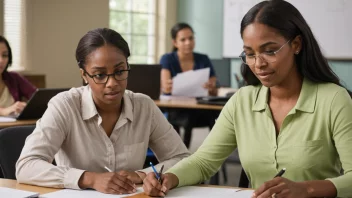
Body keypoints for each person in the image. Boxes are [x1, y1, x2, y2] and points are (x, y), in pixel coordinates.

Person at [143, 1, 352, 197]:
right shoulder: (242, 100)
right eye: (249, 54)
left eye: (270, 51)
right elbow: (203, 161)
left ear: (296, 44)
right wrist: (169, 177)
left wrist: (306, 190)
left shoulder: (333, 99)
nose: (258, 63)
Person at [16, 28, 190, 195]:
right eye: (100, 75)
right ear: (84, 75)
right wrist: (89, 178)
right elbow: (26, 166)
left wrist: (141, 175)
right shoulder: (65, 105)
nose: (112, 83)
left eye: (119, 71)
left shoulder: (144, 106)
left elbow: (182, 159)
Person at [160, 22, 219, 148]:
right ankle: (181, 154)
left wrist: (211, 87)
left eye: (191, 38)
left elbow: (214, 90)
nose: (188, 42)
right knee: (187, 118)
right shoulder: (167, 59)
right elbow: (165, 87)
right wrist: (168, 86)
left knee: (212, 117)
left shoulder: (203, 59)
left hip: (199, 109)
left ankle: (212, 154)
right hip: (176, 109)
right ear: (175, 43)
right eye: (183, 39)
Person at [0, 35, 36, 116]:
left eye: (5, 55)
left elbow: (37, 98)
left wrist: (26, 107)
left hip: (14, 127)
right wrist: (3, 111)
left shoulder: (14, 78)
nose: (1, 60)